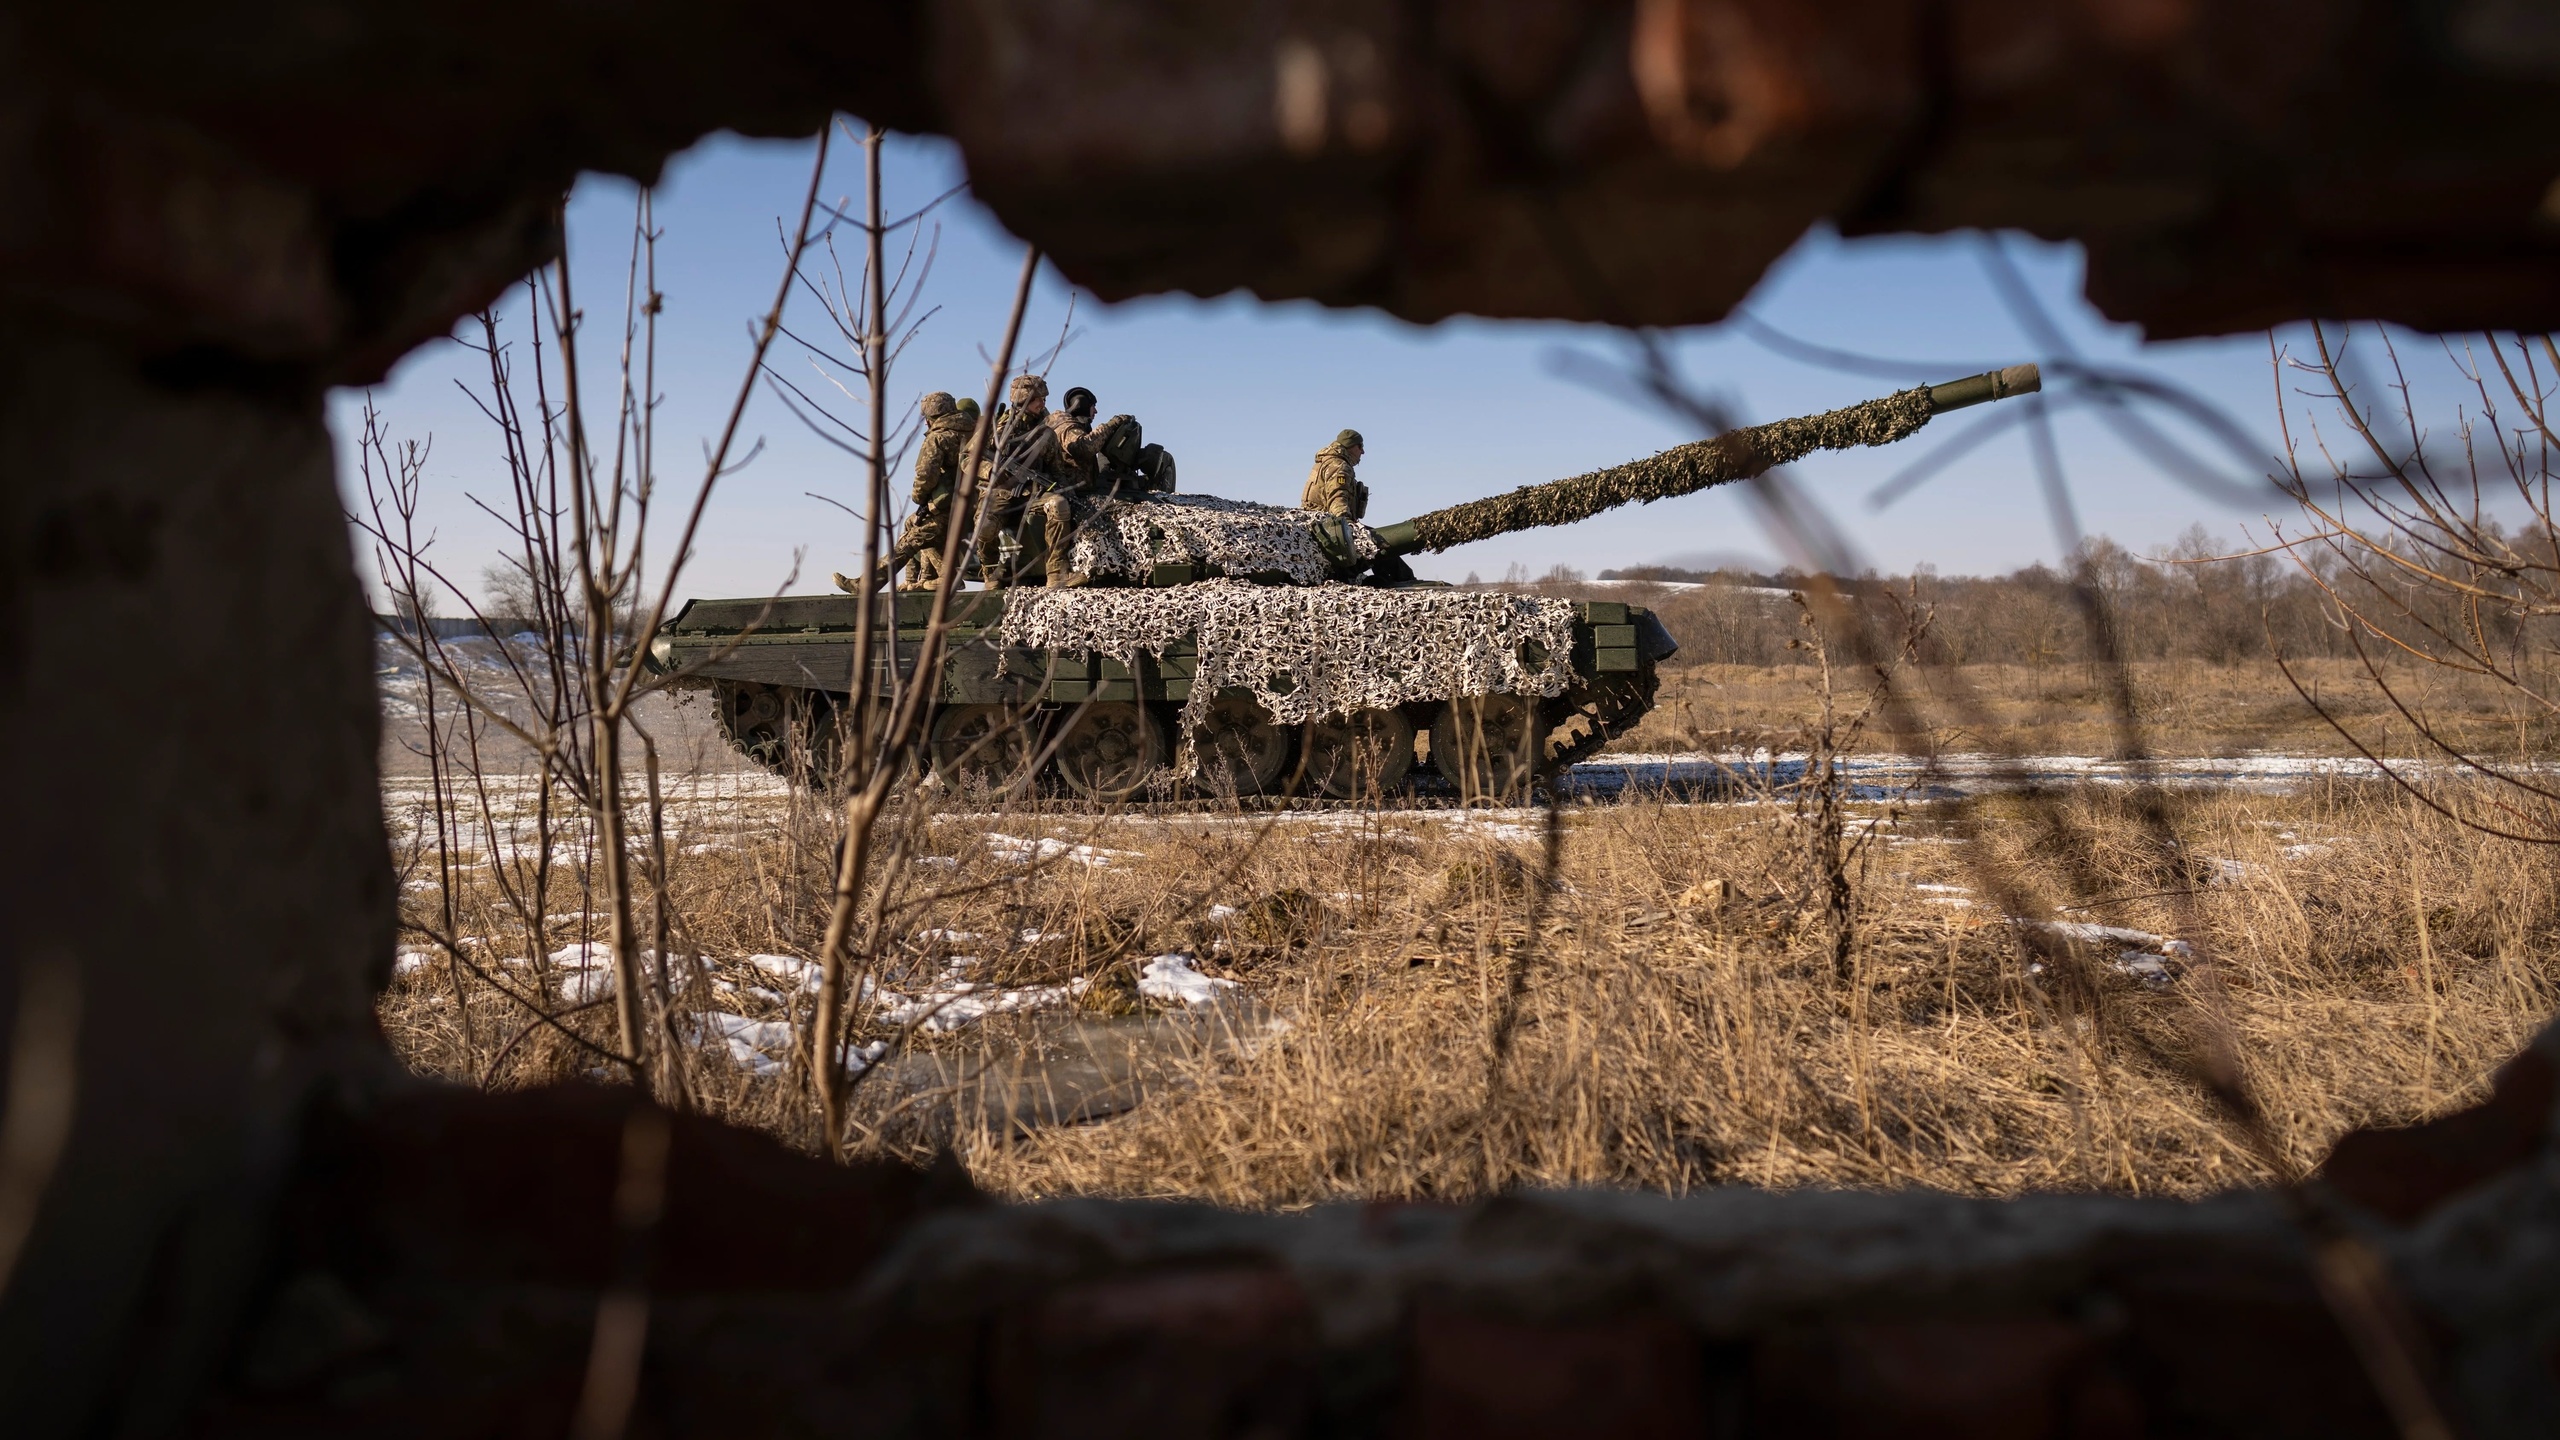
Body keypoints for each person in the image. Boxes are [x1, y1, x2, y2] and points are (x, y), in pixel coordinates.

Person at [973, 373, 1078, 587]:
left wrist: (1066, 490)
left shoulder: (1046, 434)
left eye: (1044, 399)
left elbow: (1057, 470)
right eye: (1038, 399)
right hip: (1000, 493)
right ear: (1022, 400)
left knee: (1059, 505)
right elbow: (967, 457)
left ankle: (1057, 571)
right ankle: (991, 570)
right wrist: (990, 470)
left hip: (1034, 492)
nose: (1043, 403)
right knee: (984, 525)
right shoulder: (997, 429)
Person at [1302, 428, 1369, 518]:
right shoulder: (1339, 466)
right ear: (1350, 445)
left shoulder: (1326, 461)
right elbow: (1337, 497)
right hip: (1326, 524)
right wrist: (1346, 522)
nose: (1363, 452)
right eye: (1360, 446)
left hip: (1315, 520)